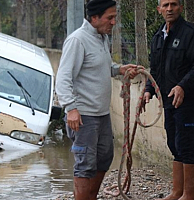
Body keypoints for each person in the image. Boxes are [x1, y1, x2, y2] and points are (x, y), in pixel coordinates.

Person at [55, 0, 139, 199]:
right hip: (84, 116)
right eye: (109, 18)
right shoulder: (77, 40)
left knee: (104, 158)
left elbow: (99, 66)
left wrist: (119, 69)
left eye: (114, 17)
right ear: (94, 18)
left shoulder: (102, 37)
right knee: (85, 164)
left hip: (102, 114)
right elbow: (63, 77)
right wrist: (70, 108)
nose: (113, 22)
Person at [143, 0, 194, 200]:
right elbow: (155, 69)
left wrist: (182, 86)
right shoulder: (157, 37)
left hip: (187, 100)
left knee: (185, 144)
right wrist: (149, 90)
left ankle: (190, 195)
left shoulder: (192, 33)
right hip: (168, 100)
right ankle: (177, 192)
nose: (169, 8)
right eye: (165, 5)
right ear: (159, 10)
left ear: (180, 7)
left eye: (173, 4)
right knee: (173, 143)